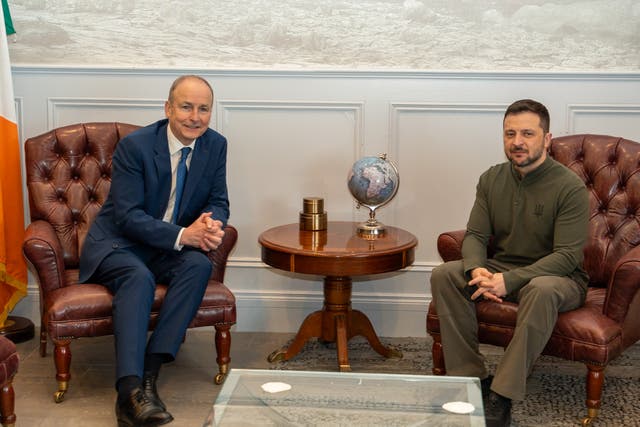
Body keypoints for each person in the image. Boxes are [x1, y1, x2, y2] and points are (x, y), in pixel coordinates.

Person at [79, 75, 229, 426]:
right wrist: (183, 235)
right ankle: (127, 393)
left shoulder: (216, 145)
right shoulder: (137, 146)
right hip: (119, 242)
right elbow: (129, 217)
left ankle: (149, 372)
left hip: (165, 245)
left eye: (204, 109)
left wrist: (210, 223)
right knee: (138, 277)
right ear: (168, 108)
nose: (195, 117)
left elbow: (218, 201)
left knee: (197, 267)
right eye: (186, 107)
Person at [430, 99, 589, 427]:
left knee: (541, 290)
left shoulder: (569, 187)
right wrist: (477, 269)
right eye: (510, 133)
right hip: (501, 269)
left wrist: (510, 280)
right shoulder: (491, 178)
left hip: (560, 278)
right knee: (445, 274)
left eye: (528, 133)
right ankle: (469, 380)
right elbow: (474, 235)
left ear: (546, 139)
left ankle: (501, 395)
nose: (517, 141)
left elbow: (567, 256)